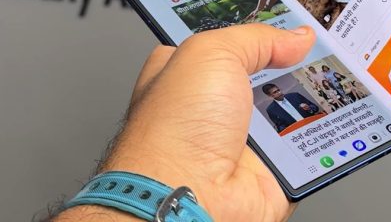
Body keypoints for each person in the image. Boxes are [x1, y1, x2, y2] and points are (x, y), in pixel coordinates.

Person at [50, 24, 316, 222]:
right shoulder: (271, 110)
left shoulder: (296, 96)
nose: (277, 93)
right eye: (273, 91)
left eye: (277, 91)